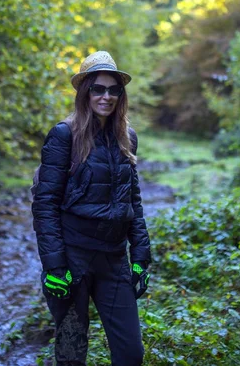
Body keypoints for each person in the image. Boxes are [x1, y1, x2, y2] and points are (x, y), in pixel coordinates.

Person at [31, 51, 151, 366]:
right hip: (73, 259)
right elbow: (45, 203)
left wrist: (140, 255)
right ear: (85, 91)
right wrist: (55, 267)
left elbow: (132, 199)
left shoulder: (128, 137)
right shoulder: (63, 135)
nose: (106, 96)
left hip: (113, 259)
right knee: (72, 354)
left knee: (131, 354)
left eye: (114, 89)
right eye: (98, 88)